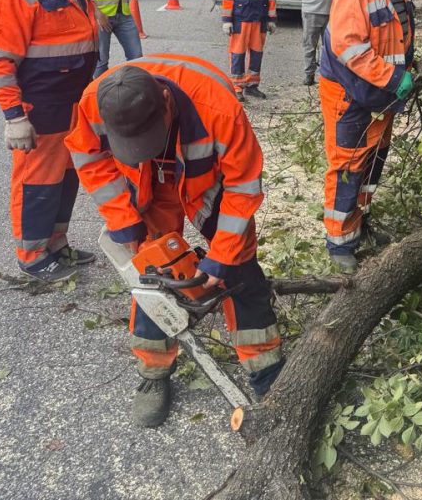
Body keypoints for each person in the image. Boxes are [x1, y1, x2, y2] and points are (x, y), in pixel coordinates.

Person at [64, 55, 284, 427]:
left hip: (207, 181)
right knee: (152, 272)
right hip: (149, 182)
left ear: (166, 102)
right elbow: (88, 159)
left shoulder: (219, 110)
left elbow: (244, 185)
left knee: (238, 261)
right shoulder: (94, 103)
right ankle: (153, 371)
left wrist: (222, 255)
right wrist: (122, 219)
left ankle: (265, 368)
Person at [0, 0, 100, 282]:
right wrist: (15, 118)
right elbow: (0, 62)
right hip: (41, 104)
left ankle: (56, 244)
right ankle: (32, 256)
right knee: (38, 183)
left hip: (73, 102)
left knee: (66, 178)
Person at [316, 0, 419, 271]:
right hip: (350, 95)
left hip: (379, 96)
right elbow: (351, 49)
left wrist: (412, 68)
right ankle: (339, 242)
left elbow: (398, 36)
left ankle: (361, 224)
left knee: (374, 161)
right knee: (348, 166)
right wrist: (395, 78)